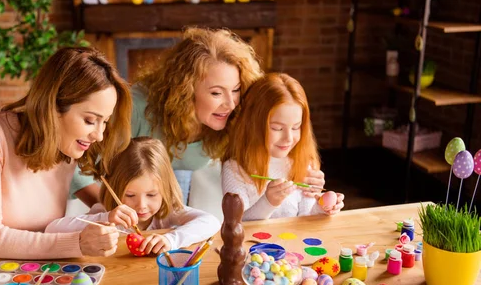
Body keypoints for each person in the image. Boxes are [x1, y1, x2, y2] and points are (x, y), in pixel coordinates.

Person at [0, 47, 132, 259]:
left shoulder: (67, 150)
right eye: (90, 120)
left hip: (16, 272)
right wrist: (78, 243)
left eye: (104, 122)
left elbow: (43, 233)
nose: (99, 135)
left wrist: (105, 217)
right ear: (54, 106)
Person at [71, 27, 325, 205]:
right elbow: (79, 169)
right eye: (216, 93)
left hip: (169, 197)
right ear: (186, 90)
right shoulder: (137, 107)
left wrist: (301, 173)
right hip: (115, 199)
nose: (230, 103)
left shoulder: (234, 116)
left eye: (236, 90)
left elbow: (267, 148)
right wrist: (111, 211)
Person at [48, 137, 220, 255]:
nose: (142, 205)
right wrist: (107, 217)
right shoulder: (106, 213)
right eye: (130, 195)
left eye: (152, 194)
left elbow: (211, 221)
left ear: (165, 189)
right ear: (114, 190)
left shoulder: (166, 214)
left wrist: (172, 239)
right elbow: (53, 229)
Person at [222, 73, 344, 221]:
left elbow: (305, 217)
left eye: (296, 127)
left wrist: (322, 207)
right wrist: (268, 202)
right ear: (253, 126)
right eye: (277, 128)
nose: (288, 138)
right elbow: (236, 223)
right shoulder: (235, 170)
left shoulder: (304, 163)